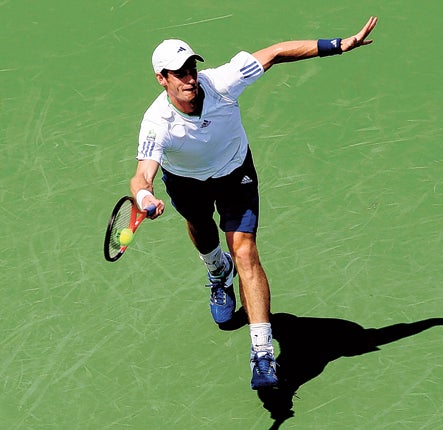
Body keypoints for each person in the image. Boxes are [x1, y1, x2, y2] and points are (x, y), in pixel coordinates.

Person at [129, 16, 379, 389]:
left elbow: (276, 53)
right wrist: (145, 195)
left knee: (244, 251)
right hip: (186, 182)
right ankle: (217, 271)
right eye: (178, 73)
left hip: (234, 173)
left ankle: (262, 355)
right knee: (201, 229)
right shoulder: (156, 123)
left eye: (191, 68)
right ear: (161, 79)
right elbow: (142, 174)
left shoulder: (222, 82)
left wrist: (340, 44)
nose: (189, 79)